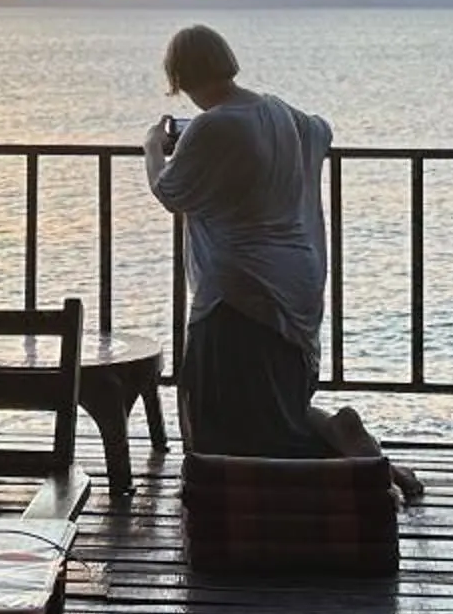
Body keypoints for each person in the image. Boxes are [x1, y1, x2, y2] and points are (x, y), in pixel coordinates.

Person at [143, 25, 418, 502]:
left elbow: (170, 191)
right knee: (276, 403)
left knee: (225, 431)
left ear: (181, 76)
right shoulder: (281, 114)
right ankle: (353, 446)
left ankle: (350, 465)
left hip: (238, 291)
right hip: (296, 281)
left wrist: (152, 146)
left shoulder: (215, 126)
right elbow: (322, 129)